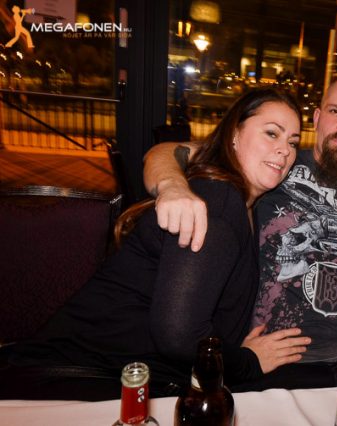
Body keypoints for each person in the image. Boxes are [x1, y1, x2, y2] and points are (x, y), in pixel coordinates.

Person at [0, 88, 310, 400]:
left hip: (128, 380)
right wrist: (248, 362)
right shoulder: (219, 203)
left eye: (293, 142)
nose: (284, 150)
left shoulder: (245, 203)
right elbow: (179, 337)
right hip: (74, 382)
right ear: (234, 135)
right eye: (272, 133)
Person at [142, 76, 337, 389]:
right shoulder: (274, 163)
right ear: (317, 117)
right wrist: (172, 185)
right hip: (269, 367)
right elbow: (166, 152)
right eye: (335, 111)